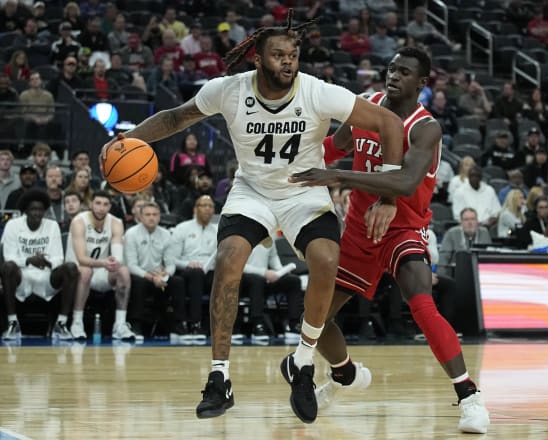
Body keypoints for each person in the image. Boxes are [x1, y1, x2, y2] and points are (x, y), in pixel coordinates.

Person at [99, 10, 405, 423]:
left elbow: (387, 120)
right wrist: (128, 138)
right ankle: (219, 377)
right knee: (227, 261)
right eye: (279, 55)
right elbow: (176, 117)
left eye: (293, 55)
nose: (288, 62)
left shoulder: (317, 92)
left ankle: (302, 361)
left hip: (303, 190)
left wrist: (388, 194)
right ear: (257, 58)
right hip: (253, 191)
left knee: (326, 261)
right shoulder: (227, 90)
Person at [288, 47, 490, 433]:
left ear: (422, 82)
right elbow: (334, 147)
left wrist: (340, 178)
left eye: (404, 71)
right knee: (314, 317)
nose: (393, 76)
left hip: (404, 227)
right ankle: (345, 373)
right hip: (360, 231)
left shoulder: (425, 127)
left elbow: (406, 181)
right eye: (391, 68)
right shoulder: (367, 107)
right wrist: (293, 161)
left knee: (422, 306)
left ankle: (470, 398)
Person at [1, 189, 79, 341]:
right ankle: (12, 323)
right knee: (7, 267)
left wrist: (46, 262)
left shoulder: (52, 226)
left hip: (46, 276)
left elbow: (58, 258)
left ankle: (61, 324)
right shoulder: (12, 225)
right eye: (33, 209)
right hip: (21, 277)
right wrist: (29, 260)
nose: (37, 213)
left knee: (70, 268)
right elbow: (8, 257)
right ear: (25, 211)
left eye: (40, 210)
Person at [65, 191, 136, 341]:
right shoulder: (79, 221)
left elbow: (117, 254)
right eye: (97, 203)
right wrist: (104, 263)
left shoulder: (116, 222)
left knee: (123, 271)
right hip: (76, 270)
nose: (101, 208)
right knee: (86, 271)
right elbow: (82, 259)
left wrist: (114, 261)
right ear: (91, 204)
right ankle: (77, 322)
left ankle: (120, 325)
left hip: (101, 270)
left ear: (110, 206)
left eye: (105, 204)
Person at [124, 201, 184, 341]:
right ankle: (135, 324)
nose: (151, 218)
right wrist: (151, 277)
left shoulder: (166, 235)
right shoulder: (131, 234)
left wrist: (165, 275)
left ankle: (178, 325)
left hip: (159, 277)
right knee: (139, 282)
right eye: (148, 214)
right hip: (140, 275)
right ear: (140, 216)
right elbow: (131, 265)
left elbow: (171, 264)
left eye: (155, 214)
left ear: (159, 217)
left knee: (177, 282)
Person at [167, 195, 217, 339]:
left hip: (209, 271)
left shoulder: (218, 230)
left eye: (211, 206)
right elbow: (172, 258)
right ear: (195, 209)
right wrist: (188, 264)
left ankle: (222, 326)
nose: (208, 209)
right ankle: (195, 323)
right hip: (186, 270)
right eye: (204, 205)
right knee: (195, 274)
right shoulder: (182, 228)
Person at [239, 236, 304, 345]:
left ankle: (293, 324)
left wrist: (281, 272)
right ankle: (257, 324)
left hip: (265, 279)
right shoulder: (242, 236)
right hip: (244, 281)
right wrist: (263, 272)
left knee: (293, 281)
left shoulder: (269, 237)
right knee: (257, 280)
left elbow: (274, 259)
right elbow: (239, 265)